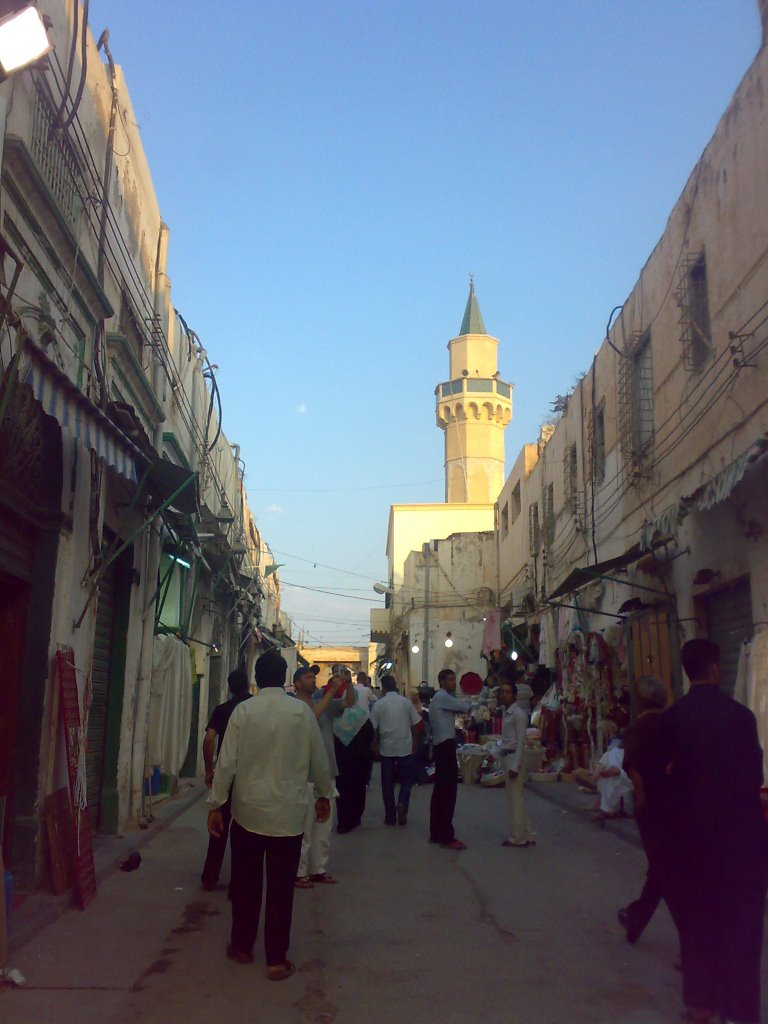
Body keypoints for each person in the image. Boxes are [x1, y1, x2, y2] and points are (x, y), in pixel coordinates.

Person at [207, 650, 332, 979]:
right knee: (281, 889)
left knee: (246, 884)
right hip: (289, 816)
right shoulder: (301, 713)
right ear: (284, 677)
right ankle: (276, 959)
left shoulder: (244, 711)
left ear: (257, 679)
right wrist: (324, 795)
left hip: (248, 811)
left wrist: (217, 805)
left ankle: (242, 947)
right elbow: (319, 759)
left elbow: (227, 762)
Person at [662, 638, 768, 1024]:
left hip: (692, 841)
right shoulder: (741, 717)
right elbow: (755, 776)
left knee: (699, 922)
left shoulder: (672, 720)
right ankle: (741, 1011)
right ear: (716, 668)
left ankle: (702, 1004)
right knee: (741, 927)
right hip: (740, 838)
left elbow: (664, 782)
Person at [618, 675, 678, 944]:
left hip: (652, 806)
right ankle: (636, 917)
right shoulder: (672, 725)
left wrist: (640, 799)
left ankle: (691, 938)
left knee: (663, 869)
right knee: (661, 867)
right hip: (674, 802)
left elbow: (632, 765)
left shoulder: (638, 729)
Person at [293, 663, 354, 887]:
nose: (312, 680)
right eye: (308, 677)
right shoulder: (297, 706)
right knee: (305, 825)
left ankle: (318, 868)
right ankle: (298, 872)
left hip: (328, 771)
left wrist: (349, 685)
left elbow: (349, 703)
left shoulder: (323, 703)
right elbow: (311, 717)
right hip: (306, 775)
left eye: (313, 677)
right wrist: (330, 692)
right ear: (297, 683)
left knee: (324, 826)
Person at [200, 669, 253, 892]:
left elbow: (209, 739)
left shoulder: (222, 710)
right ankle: (239, 883)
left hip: (225, 773)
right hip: (249, 776)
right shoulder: (253, 709)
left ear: (230, 687)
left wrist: (209, 769)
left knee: (219, 824)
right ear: (249, 684)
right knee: (245, 831)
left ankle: (210, 877)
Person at [369, 675, 422, 825]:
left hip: (387, 748)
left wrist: (375, 744)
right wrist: (415, 741)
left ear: (384, 688)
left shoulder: (379, 704)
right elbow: (416, 723)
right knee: (407, 780)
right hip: (404, 746)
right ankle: (402, 803)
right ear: (395, 686)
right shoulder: (405, 702)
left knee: (387, 783)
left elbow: (373, 727)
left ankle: (390, 816)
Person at [428, 668, 471, 849]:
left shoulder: (440, 699)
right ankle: (446, 835)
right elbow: (465, 707)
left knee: (440, 791)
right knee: (448, 792)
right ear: (442, 682)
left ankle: (437, 832)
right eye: (451, 680)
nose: (454, 682)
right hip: (445, 747)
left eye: (454, 679)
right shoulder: (442, 697)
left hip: (441, 746)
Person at [499, 680, 535, 848]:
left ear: (514, 695)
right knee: (517, 798)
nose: (504, 694)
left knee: (515, 799)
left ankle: (517, 837)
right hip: (508, 756)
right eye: (502, 692)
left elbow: (521, 742)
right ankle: (526, 834)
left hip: (515, 758)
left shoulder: (518, 715)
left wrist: (515, 765)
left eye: (507, 692)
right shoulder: (507, 713)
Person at [334, 696, 374, 834]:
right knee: (358, 788)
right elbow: (370, 734)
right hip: (360, 759)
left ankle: (343, 822)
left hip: (341, 760)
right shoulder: (362, 715)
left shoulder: (336, 717)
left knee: (342, 791)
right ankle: (355, 818)